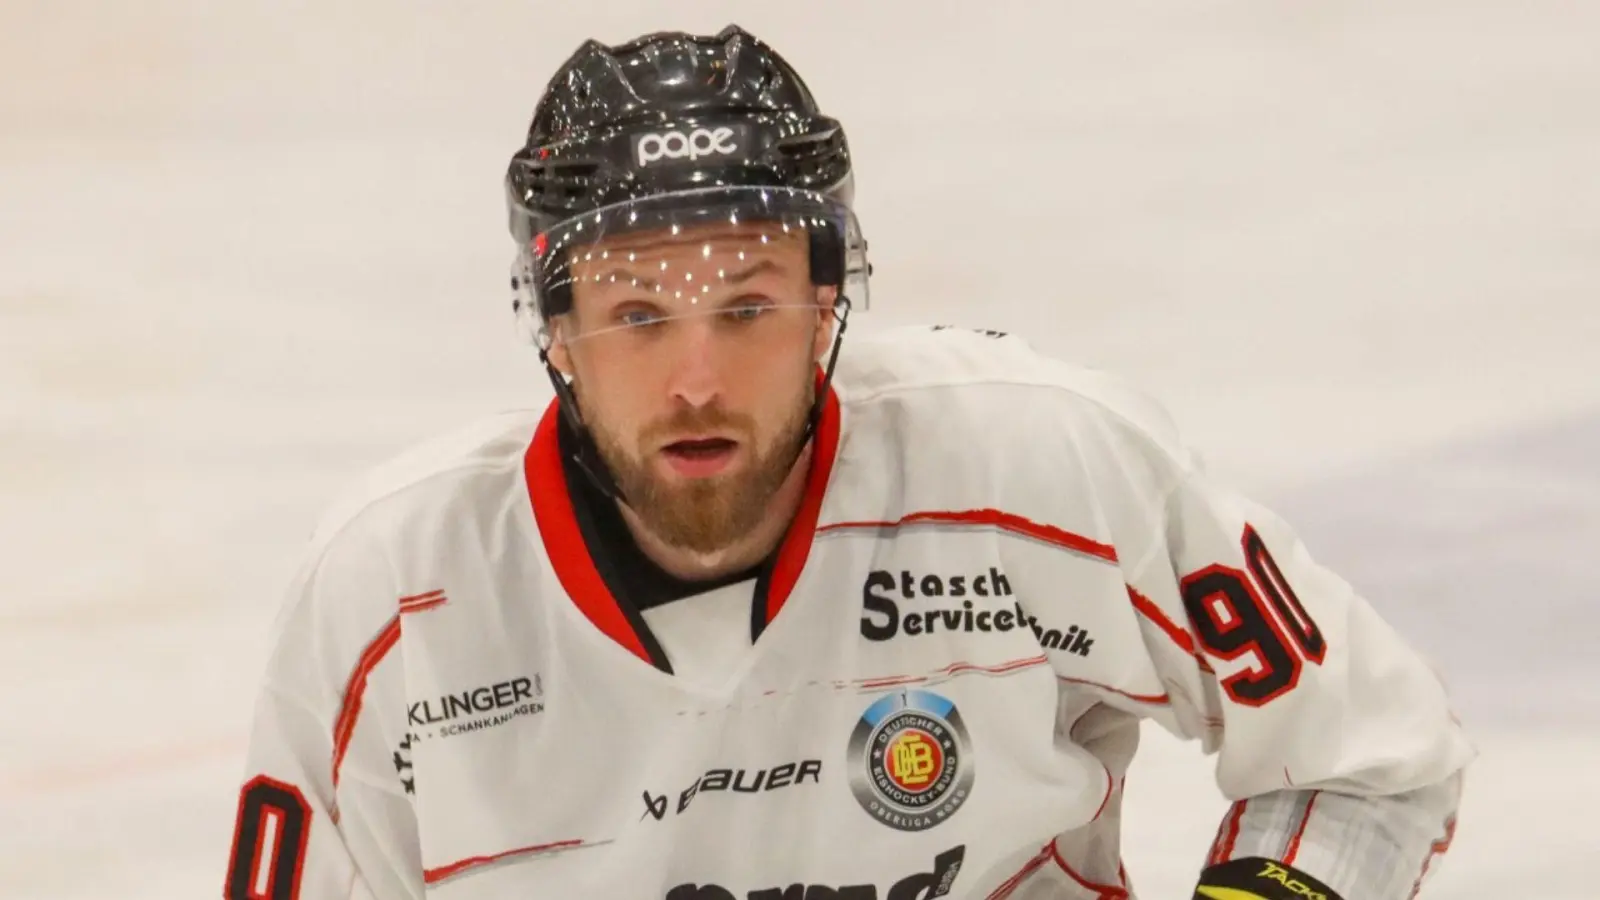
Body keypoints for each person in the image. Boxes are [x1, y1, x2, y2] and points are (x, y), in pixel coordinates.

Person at [224, 24, 1472, 900]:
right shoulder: (392, 602)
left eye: (747, 304)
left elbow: (1364, 760)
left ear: (832, 301)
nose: (696, 378)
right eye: (637, 314)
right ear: (555, 328)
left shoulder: (1041, 470)